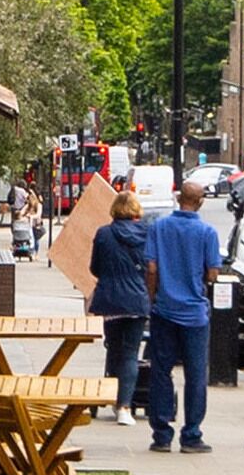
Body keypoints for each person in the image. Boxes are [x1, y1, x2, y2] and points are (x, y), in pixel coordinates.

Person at [138, 184, 220, 452]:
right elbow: (212, 274)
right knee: (196, 375)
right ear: (200, 201)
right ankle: (191, 434)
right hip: (194, 314)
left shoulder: (159, 228)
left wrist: (152, 298)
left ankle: (161, 435)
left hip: (164, 310)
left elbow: (151, 268)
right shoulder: (208, 232)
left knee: (161, 372)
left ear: (178, 198)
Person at [87, 188, 154, 427]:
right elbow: (151, 267)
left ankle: (111, 394)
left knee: (113, 348)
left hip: (110, 301)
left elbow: (94, 268)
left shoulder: (104, 234)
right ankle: (124, 406)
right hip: (136, 300)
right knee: (130, 352)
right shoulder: (147, 234)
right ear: (137, 211)